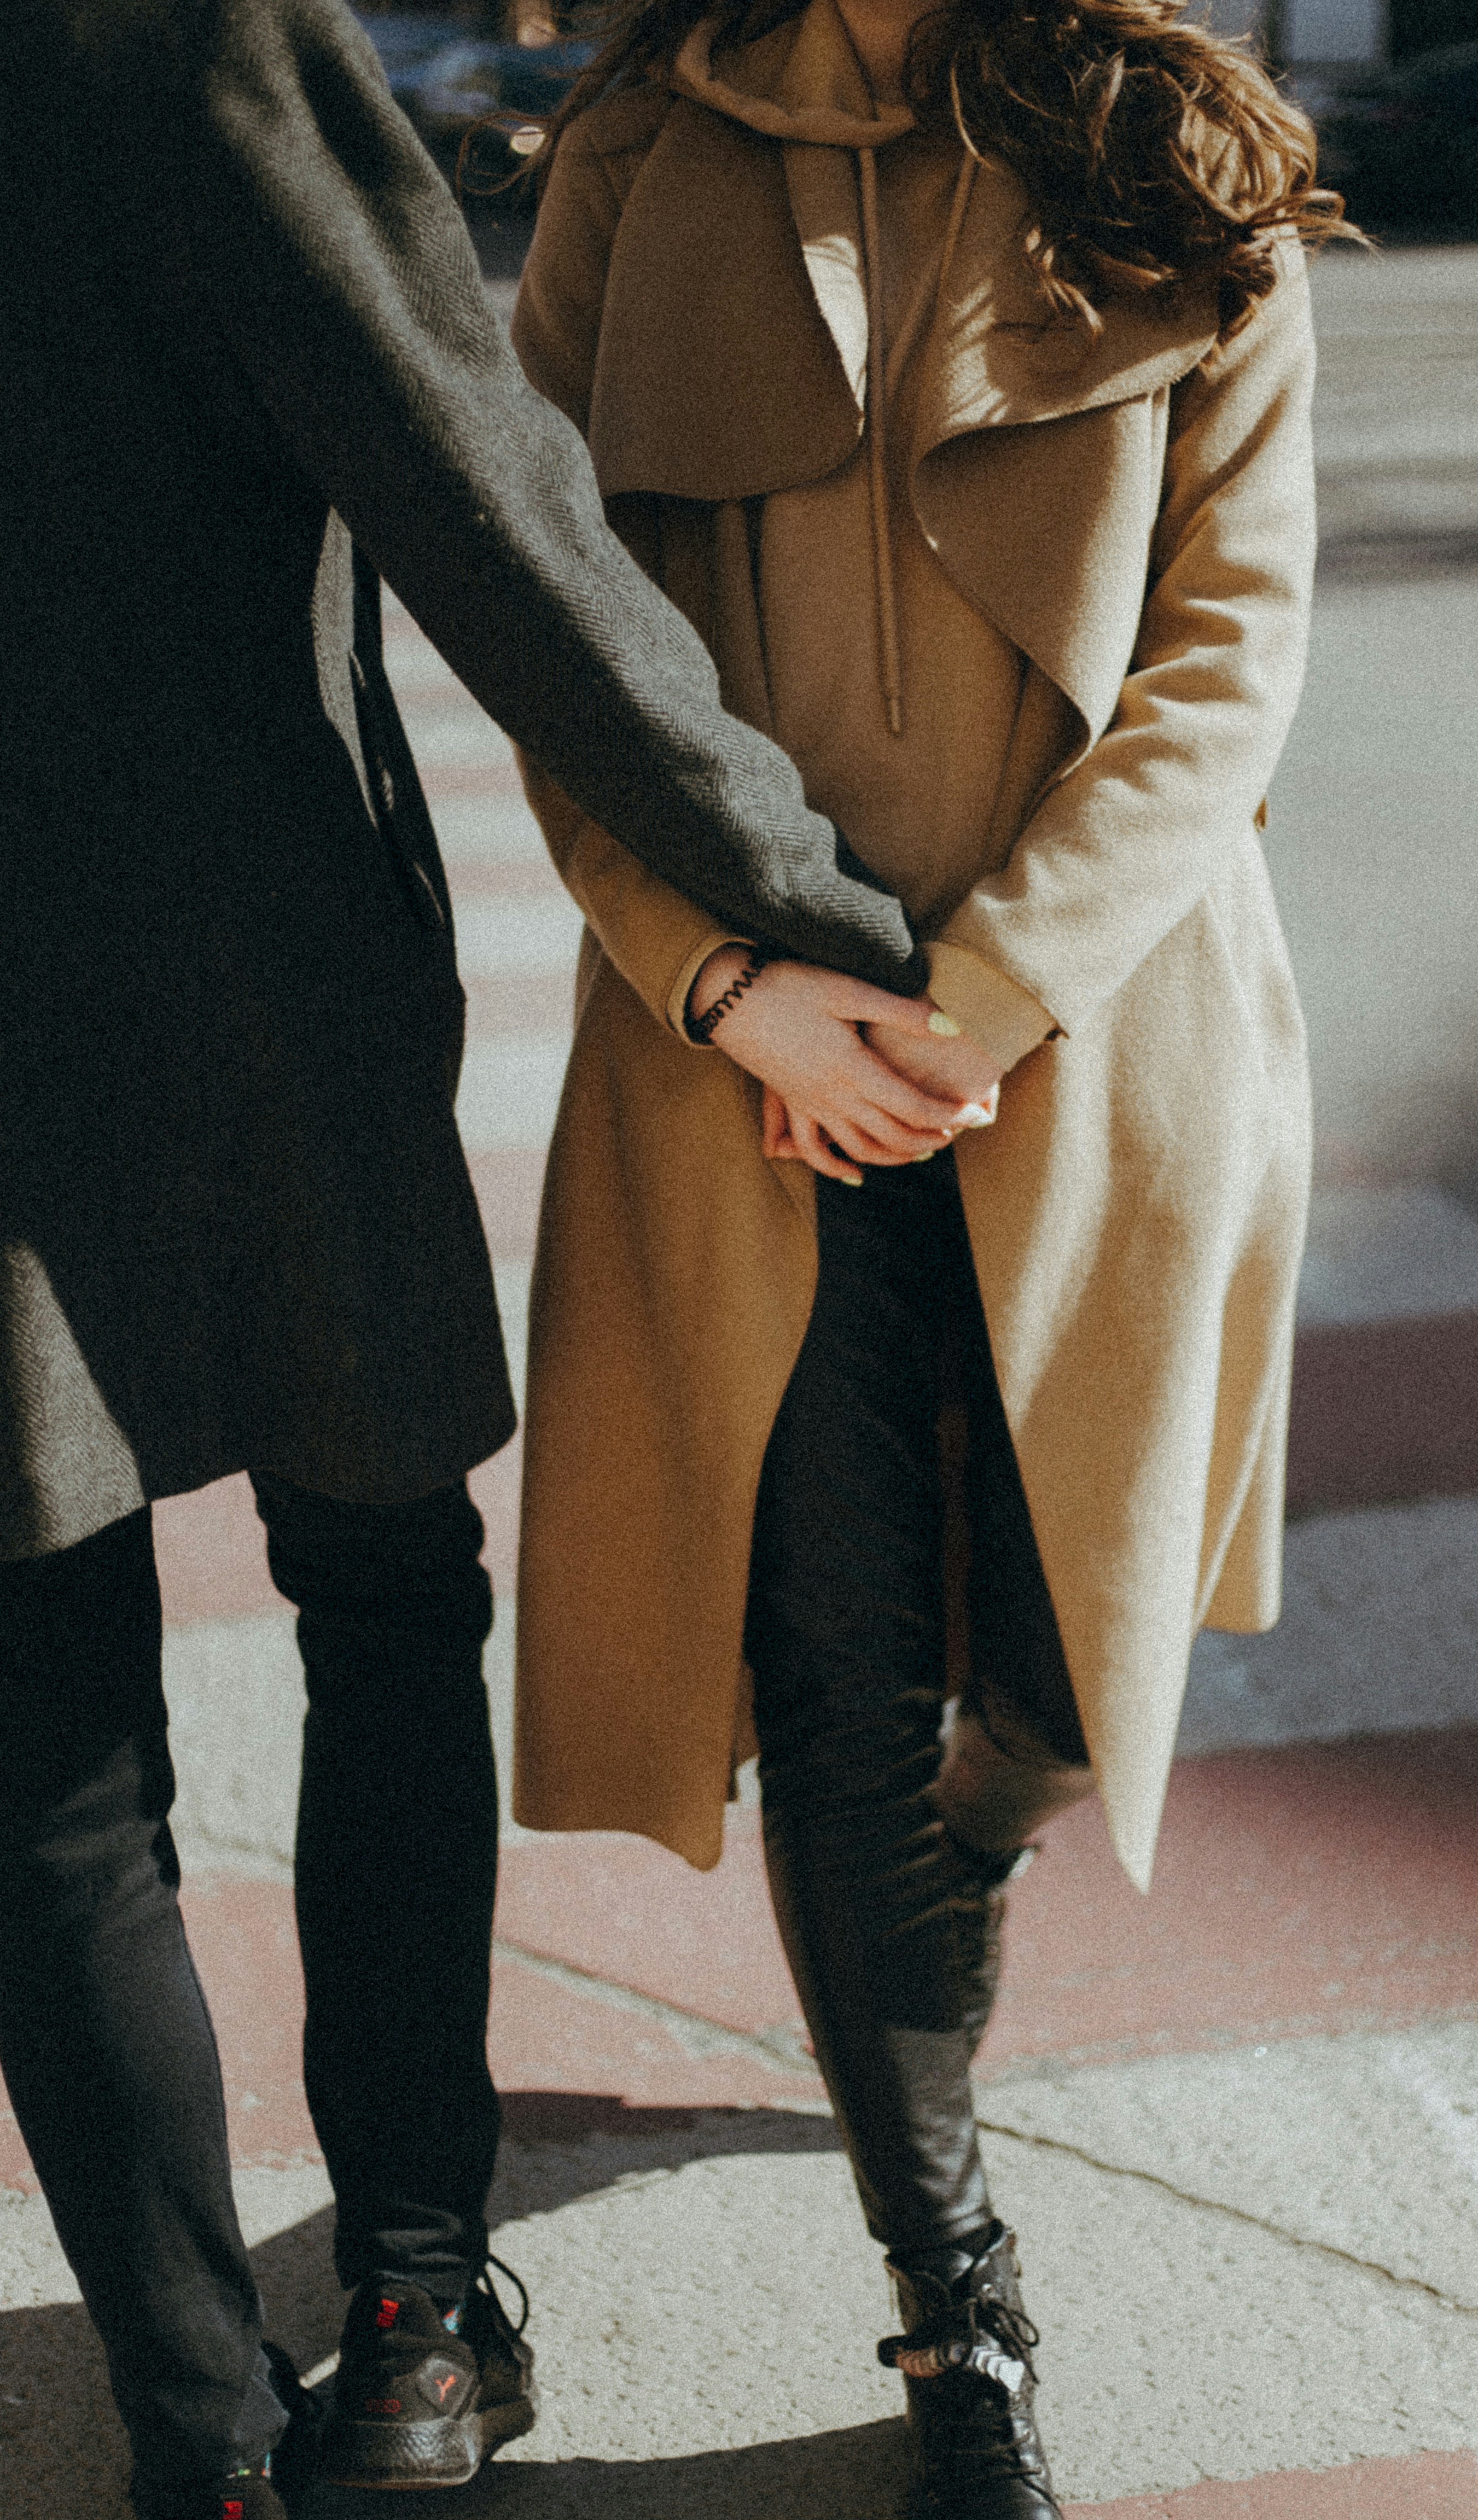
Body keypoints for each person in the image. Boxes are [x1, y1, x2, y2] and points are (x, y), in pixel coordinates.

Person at [0, 4, 965, 2514]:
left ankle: (206, 2443)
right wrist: (800, 901)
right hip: (247, 977)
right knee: (382, 1599)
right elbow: (475, 488)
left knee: (48, 1746)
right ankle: (416, 2314)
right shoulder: (186, 31)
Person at [507, 0, 1351, 2508]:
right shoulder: (636, 155)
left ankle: (974, 1835)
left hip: (1102, 1047)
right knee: (837, 1685)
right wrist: (729, 982)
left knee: (1064, 1684)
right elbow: (550, 632)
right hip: (742, 1086)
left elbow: (1229, 662)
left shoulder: (1175, 151)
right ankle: (951, 2299)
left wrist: (973, 1010)